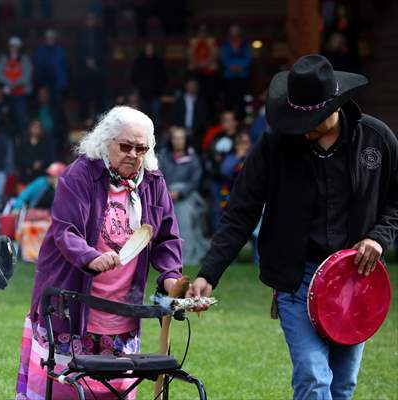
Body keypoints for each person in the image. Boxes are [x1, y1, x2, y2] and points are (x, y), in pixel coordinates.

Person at [188, 55, 398, 399]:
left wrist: (379, 237)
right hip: (296, 279)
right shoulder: (274, 146)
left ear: (336, 105)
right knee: (314, 379)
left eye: (313, 119)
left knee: (342, 385)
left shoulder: (376, 139)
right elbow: (240, 213)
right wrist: (208, 274)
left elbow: (396, 199)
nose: (304, 127)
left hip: (355, 281)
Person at [15, 106, 184, 399]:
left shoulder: (152, 182)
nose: (133, 154)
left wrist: (171, 277)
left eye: (141, 148)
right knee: (66, 391)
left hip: (121, 311)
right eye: (125, 146)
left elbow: (166, 237)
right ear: (106, 142)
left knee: (114, 390)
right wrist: (90, 256)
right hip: (72, 306)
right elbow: (65, 230)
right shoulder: (79, 175)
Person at [158, 126, 208, 265]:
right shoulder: (163, 156)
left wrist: (180, 193)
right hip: (165, 196)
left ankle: (186, 255)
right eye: (175, 138)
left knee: (185, 220)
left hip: (187, 197)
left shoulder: (192, 157)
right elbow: (158, 176)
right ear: (171, 140)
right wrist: (166, 192)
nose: (178, 141)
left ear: (185, 140)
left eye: (181, 138)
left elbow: (196, 180)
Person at [0, 36, 33, 134]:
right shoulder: (4, 58)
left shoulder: (24, 59)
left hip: (21, 95)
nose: (13, 48)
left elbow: (27, 74)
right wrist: (9, 83)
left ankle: (21, 142)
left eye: (16, 46)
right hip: (7, 94)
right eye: (12, 46)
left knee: (21, 119)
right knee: (7, 119)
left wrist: (16, 83)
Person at [76, 11, 107, 124]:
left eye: (92, 18)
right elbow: (77, 50)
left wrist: (96, 61)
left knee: (99, 93)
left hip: (98, 69)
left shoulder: (100, 33)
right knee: (84, 94)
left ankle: (99, 116)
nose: (90, 21)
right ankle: (85, 117)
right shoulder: (80, 34)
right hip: (84, 70)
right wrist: (86, 60)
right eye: (88, 18)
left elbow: (104, 49)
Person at [130, 42, 167, 129]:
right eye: (147, 49)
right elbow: (133, 76)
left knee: (156, 117)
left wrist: (159, 89)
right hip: (143, 95)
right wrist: (139, 88)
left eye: (150, 49)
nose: (149, 51)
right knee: (143, 117)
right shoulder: (139, 61)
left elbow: (164, 77)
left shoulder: (158, 61)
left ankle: (156, 135)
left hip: (155, 95)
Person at [220, 24, 251, 119]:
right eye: (232, 31)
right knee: (228, 100)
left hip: (242, 76)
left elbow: (247, 59)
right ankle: (228, 119)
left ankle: (241, 119)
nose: (234, 33)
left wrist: (239, 66)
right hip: (229, 76)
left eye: (236, 31)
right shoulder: (226, 44)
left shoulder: (245, 45)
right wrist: (231, 66)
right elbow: (224, 59)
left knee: (241, 100)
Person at [33, 29, 68, 107]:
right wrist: (39, 82)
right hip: (44, 83)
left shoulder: (60, 51)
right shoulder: (40, 51)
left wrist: (63, 84)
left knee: (57, 105)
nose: (50, 39)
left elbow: (65, 67)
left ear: (55, 39)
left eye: (52, 37)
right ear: (45, 39)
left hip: (57, 83)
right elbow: (37, 66)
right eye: (48, 37)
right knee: (44, 105)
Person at [170, 78, 210, 147]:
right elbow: (173, 117)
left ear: (197, 87)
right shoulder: (179, 101)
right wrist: (180, 129)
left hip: (197, 133)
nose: (192, 87)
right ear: (186, 86)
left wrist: (193, 130)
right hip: (180, 130)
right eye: (190, 85)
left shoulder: (202, 102)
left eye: (194, 85)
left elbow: (203, 120)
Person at [15, 118, 55, 184]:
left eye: (39, 127)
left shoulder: (45, 143)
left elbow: (50, 158)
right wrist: (31, 165)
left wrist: (41, 163)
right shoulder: (24, 143)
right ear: (30, 128)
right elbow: (19, 159)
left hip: (42, 175)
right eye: (34, 127)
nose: (37, 129)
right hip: (26, 175)